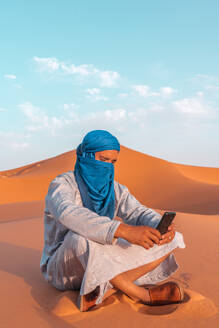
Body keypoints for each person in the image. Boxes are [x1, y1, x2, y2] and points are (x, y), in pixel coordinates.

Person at [40, 130, 185, 312]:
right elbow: (68, 212)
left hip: (101, 260)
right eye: (103, 160)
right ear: (86, 156)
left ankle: (99, 292)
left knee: (173, 238)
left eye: (113, 162)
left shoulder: (115, 189)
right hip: (63, 269)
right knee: (79, 237)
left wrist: (159, 226)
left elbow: (137, 211)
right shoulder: (62, 184)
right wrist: (122, 230)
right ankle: (140, 294)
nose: (108, 166)